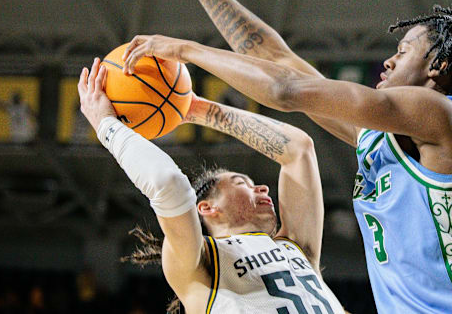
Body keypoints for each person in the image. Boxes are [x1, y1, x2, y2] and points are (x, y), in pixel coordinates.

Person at [116, 0, 452, 313]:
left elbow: (284, 89)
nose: (389, 62)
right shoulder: (386, 138)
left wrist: (185, 50)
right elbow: (277, 58)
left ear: (438, 68)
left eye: (402, 52)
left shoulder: (442, 116)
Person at [77, 58, 344, 314]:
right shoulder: (199, 262)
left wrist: (196, 109)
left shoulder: (295, 247)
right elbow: (168, 184)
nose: (262, 188)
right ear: (206, 207)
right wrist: (106, 126)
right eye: (242, 183)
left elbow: (299, 149)